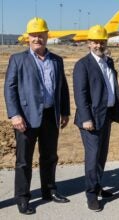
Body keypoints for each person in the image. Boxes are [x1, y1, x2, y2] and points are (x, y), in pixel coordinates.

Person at [4, 17, 71, 215]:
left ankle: (49, 190)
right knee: (24, 160)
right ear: (28, 37)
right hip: (26, 117)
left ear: (47, 36)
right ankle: (23, 197)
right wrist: (15, 115)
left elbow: (63, 88)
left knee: (50, 156)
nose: (37, 38)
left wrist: (65, 110)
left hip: (51, 115)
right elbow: (10, 88)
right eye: (34, 35)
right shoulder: (18, 59)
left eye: (41, 35)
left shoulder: (56, 60)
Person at [73, 25, 119, 211]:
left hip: (106, 116)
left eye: (102, 41)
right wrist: (86, 118)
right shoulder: (82, 65)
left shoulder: (108, 62)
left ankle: (98, 186)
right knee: (93, 158)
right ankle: (91, 195)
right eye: (95, 41)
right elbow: (80, 94)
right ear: (89, 43)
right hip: (90, 120)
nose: (99, 44)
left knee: (101, 156)